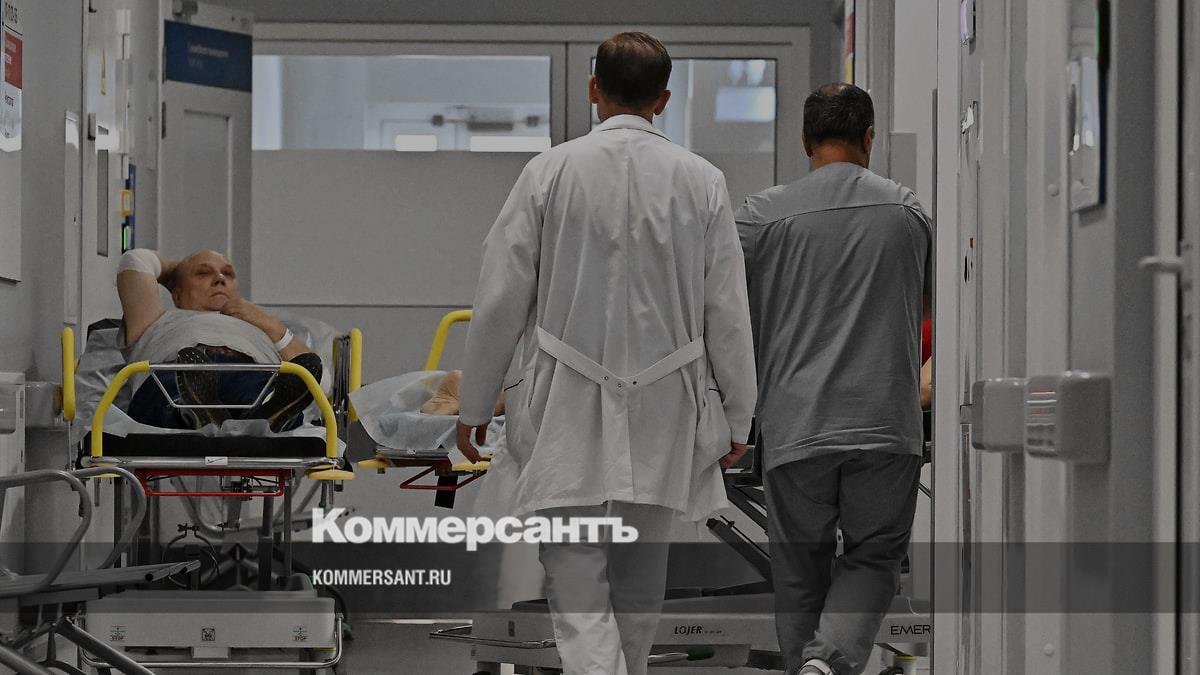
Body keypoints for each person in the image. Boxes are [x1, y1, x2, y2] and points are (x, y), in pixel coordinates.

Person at [455, 31, 757, 675]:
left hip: (565, 397)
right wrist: (739, 414)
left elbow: (499, 299)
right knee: (642, 572)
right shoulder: (702, 181)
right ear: (664, 100)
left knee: (576, 574)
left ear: (593, 88)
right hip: (666, 403)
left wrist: (476, 403)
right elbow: (728, 311)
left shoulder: (548, 173)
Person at [735, 83, 933, 675]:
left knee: (799, 569)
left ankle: (811, 665)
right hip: (885, 422)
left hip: (796, 423)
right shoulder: (907, 212)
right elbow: (929, 307)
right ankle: (828, 663)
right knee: (874, 556)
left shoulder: (760, 217)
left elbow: (721, 317)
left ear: (805, 140)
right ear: (869, 138)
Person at [116, 248, 321, 431]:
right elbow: (136, 260)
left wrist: (270, 325)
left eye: (228, 274)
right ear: (177, 295)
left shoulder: (264, 327)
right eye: (203, 273)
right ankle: (197, 413)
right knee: (174, 390)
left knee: (267, 390)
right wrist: (176, 270)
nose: (219, 279)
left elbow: (319, 384)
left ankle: (246, 414)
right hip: (177, 372)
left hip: (249, 372)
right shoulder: (155, 319)